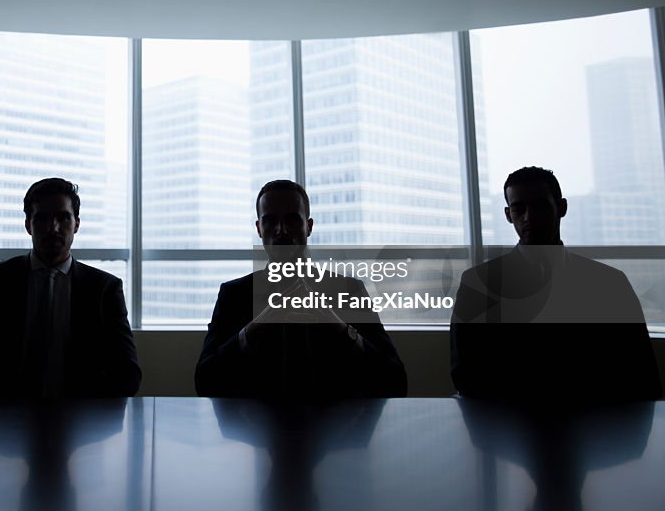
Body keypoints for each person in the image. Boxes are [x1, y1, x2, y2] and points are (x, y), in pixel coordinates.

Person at [450, 166, 661, 400]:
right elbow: (466, 374)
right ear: (509, 215)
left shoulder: (611, 283)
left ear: (562, 208)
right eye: (520, 209)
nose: (528, 217)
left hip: (590, 422)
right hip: (520, 423)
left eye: (539, 206)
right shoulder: (478, 284)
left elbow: (641, 371)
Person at [0, 178, 141, 398]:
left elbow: (128, 373)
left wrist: (83, 413)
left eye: (63, 217)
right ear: (28, 224)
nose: (53, 228)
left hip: (78, 422)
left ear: (76, 224)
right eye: (42, 218)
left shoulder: (104, 290)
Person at [195, 180, 407, 398]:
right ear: (259, 229)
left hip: (337, 430)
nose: (281, 230)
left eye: (292, 220)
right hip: (256, 429)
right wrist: (256, 327)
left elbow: (396, 382)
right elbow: (204, 382)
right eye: (270, 221)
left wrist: (340, 329)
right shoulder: (234, 295)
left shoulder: (350, 291)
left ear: (309, 226)